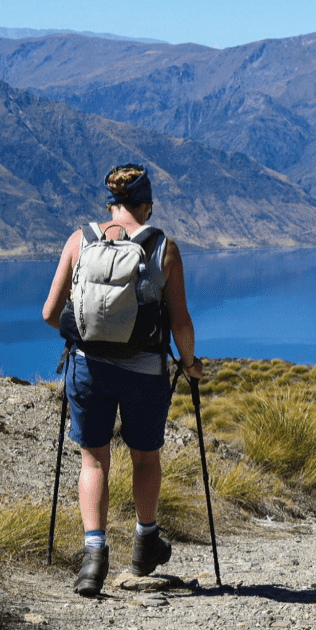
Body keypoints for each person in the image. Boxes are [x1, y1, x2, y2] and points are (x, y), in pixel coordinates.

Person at [42, 163, 203, 597]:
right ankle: (145, 542)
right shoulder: (162, 246)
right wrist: (190, 364)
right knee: (145, 459)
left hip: (87, 368)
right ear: (146, 203)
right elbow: (182, 322)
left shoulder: (81, 240)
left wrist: (89, 334)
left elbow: (49, 312)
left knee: (93, 461)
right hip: (145, 372)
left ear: (109, 202)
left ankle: (93, 557)